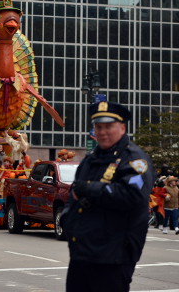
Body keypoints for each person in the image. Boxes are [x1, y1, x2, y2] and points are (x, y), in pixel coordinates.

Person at [61, 101, 156, 292]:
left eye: (108, 126)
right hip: (82, 252)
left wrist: (89, 189)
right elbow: (74, 192)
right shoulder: (91, 159)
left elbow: (132, 195)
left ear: (122, 127)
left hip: (113, 255)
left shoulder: (135, 159)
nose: (102, 132)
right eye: (98, 127)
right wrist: (67, 219)